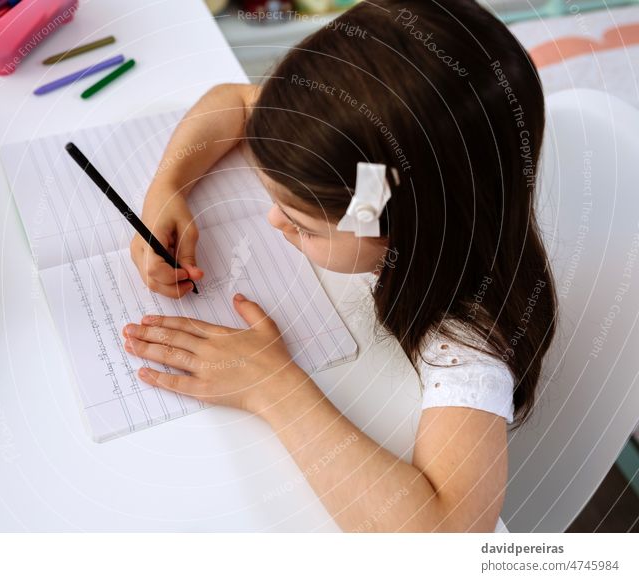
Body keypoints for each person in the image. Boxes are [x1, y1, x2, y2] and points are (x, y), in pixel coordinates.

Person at [123, 0, 557, 532]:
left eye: (303, 224)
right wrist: (168, 186)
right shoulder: (368, 171)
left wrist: (272, 386)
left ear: (392, 224)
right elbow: (233, 100)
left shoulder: (467, 338)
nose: (273, 221)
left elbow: (444, 537)